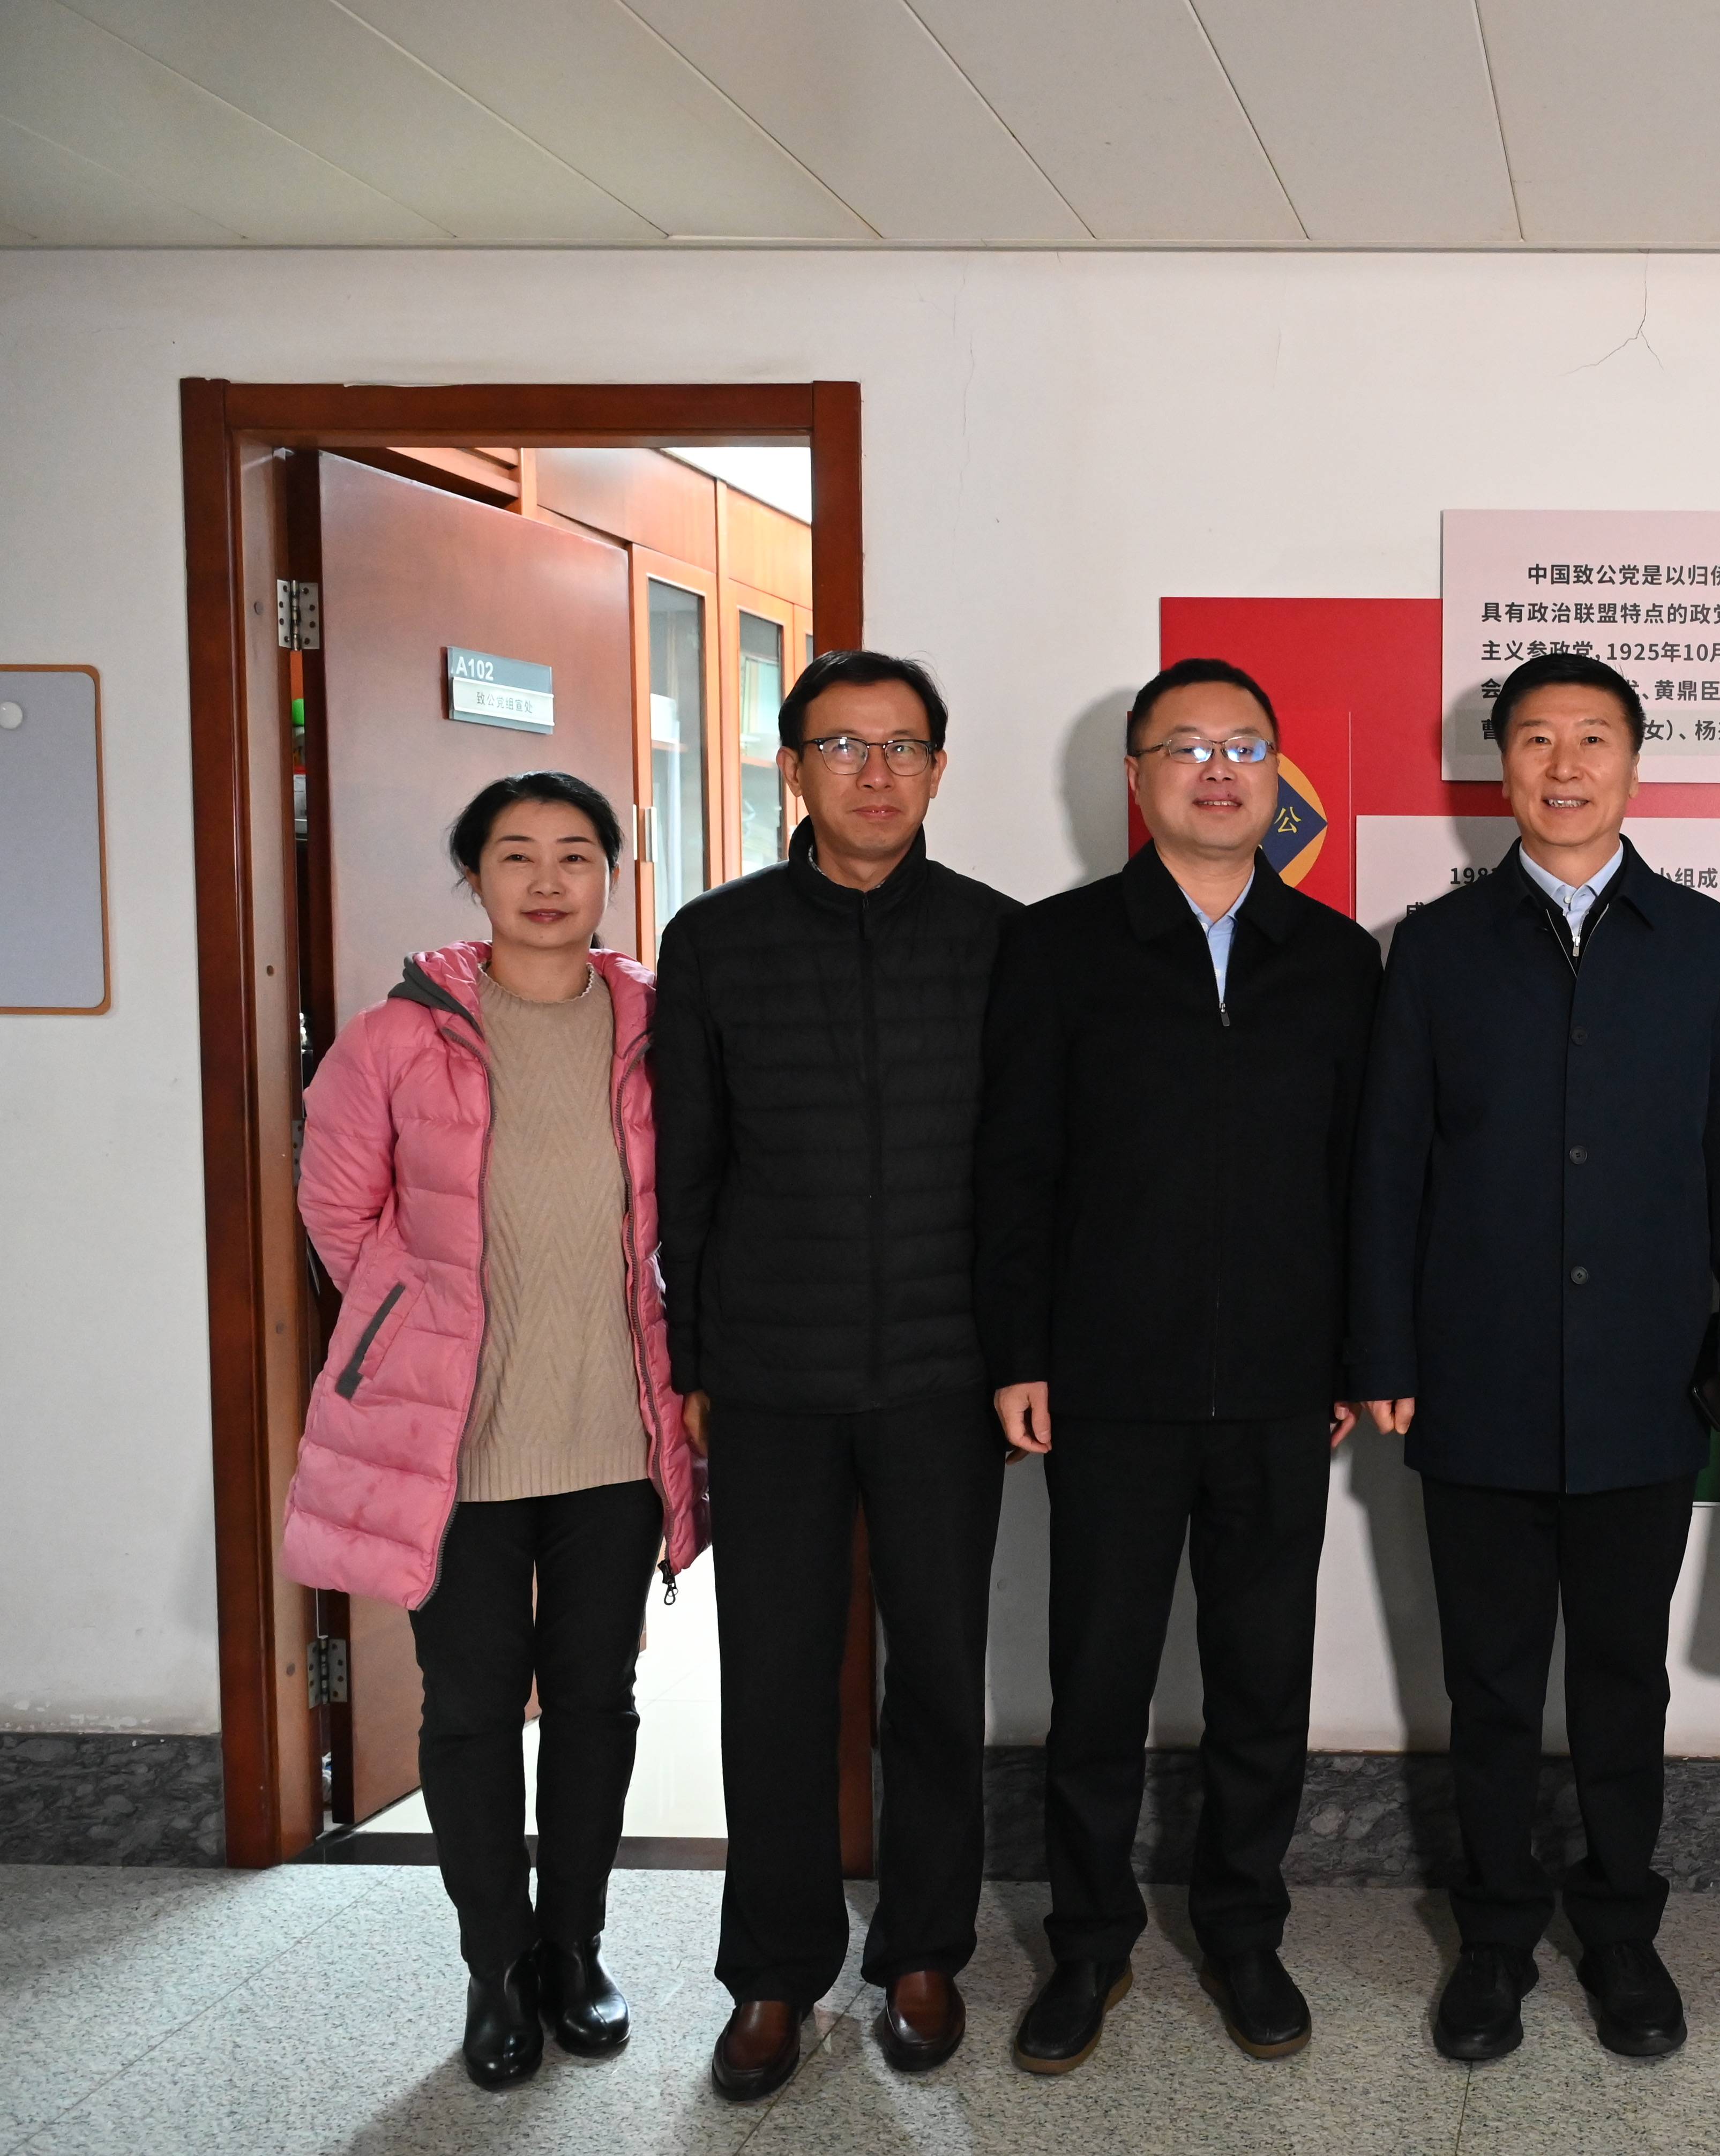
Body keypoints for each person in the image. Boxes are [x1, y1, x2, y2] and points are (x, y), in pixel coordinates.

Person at [1349, 650, 1720, 2064]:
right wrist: (1382, 1343)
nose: (1565, 765)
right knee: (1487, 1681)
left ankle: (1620, 1931)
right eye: (1536, 739)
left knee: (1619, 1678)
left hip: (1649, 1372)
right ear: (1502, 768)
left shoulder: (1702, 942)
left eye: (1593, 738)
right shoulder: (1437, 946)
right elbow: (1390, 1164)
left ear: (1635, 765)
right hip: (1473, 1370)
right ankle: (1492, 1939)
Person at [974, 658, 1382, 2073]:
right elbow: (1015, 1166)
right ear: (1137, 778)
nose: (1219, 770)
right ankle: (1088, 1946)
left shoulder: (1336, 958)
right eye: (1187, 747)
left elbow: (1363, 1179)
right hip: (1109, 1383)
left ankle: (1245, 1933)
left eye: (1245, 746)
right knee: (1096, 1683)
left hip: (1281, 1385)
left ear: (1278, 778)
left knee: (1262, 1681)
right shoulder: (1059, 947)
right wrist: (1021, 1352)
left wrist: (1357, 1351)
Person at [282, 772, 704, 2091]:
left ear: (611, 875)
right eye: (516, 854)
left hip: (614, 1430)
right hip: (452, 1444)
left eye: (576, 853)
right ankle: (496, 1964)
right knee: (468, 1708)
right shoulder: (394, 1037)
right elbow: (337, 1214)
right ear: (474, 876)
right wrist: (417, 1328)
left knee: (595, 1700)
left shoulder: (661, 1026)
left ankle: (574, 1947)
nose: (547, 879)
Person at [653, 649, 1022, 2100]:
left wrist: (1022, 1354)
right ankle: (772, 1971)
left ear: (940, 767)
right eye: (845, 746)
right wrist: (695, 1359)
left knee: (937, 1675)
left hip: (945, 1371)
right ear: (792, 765)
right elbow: (689, 1171)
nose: (877, 773)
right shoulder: (717, 939)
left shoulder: (997, 937)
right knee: (775, 1681)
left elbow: (1027, 1174)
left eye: (904, 747)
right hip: (772, 1378)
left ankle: (923, 1950)